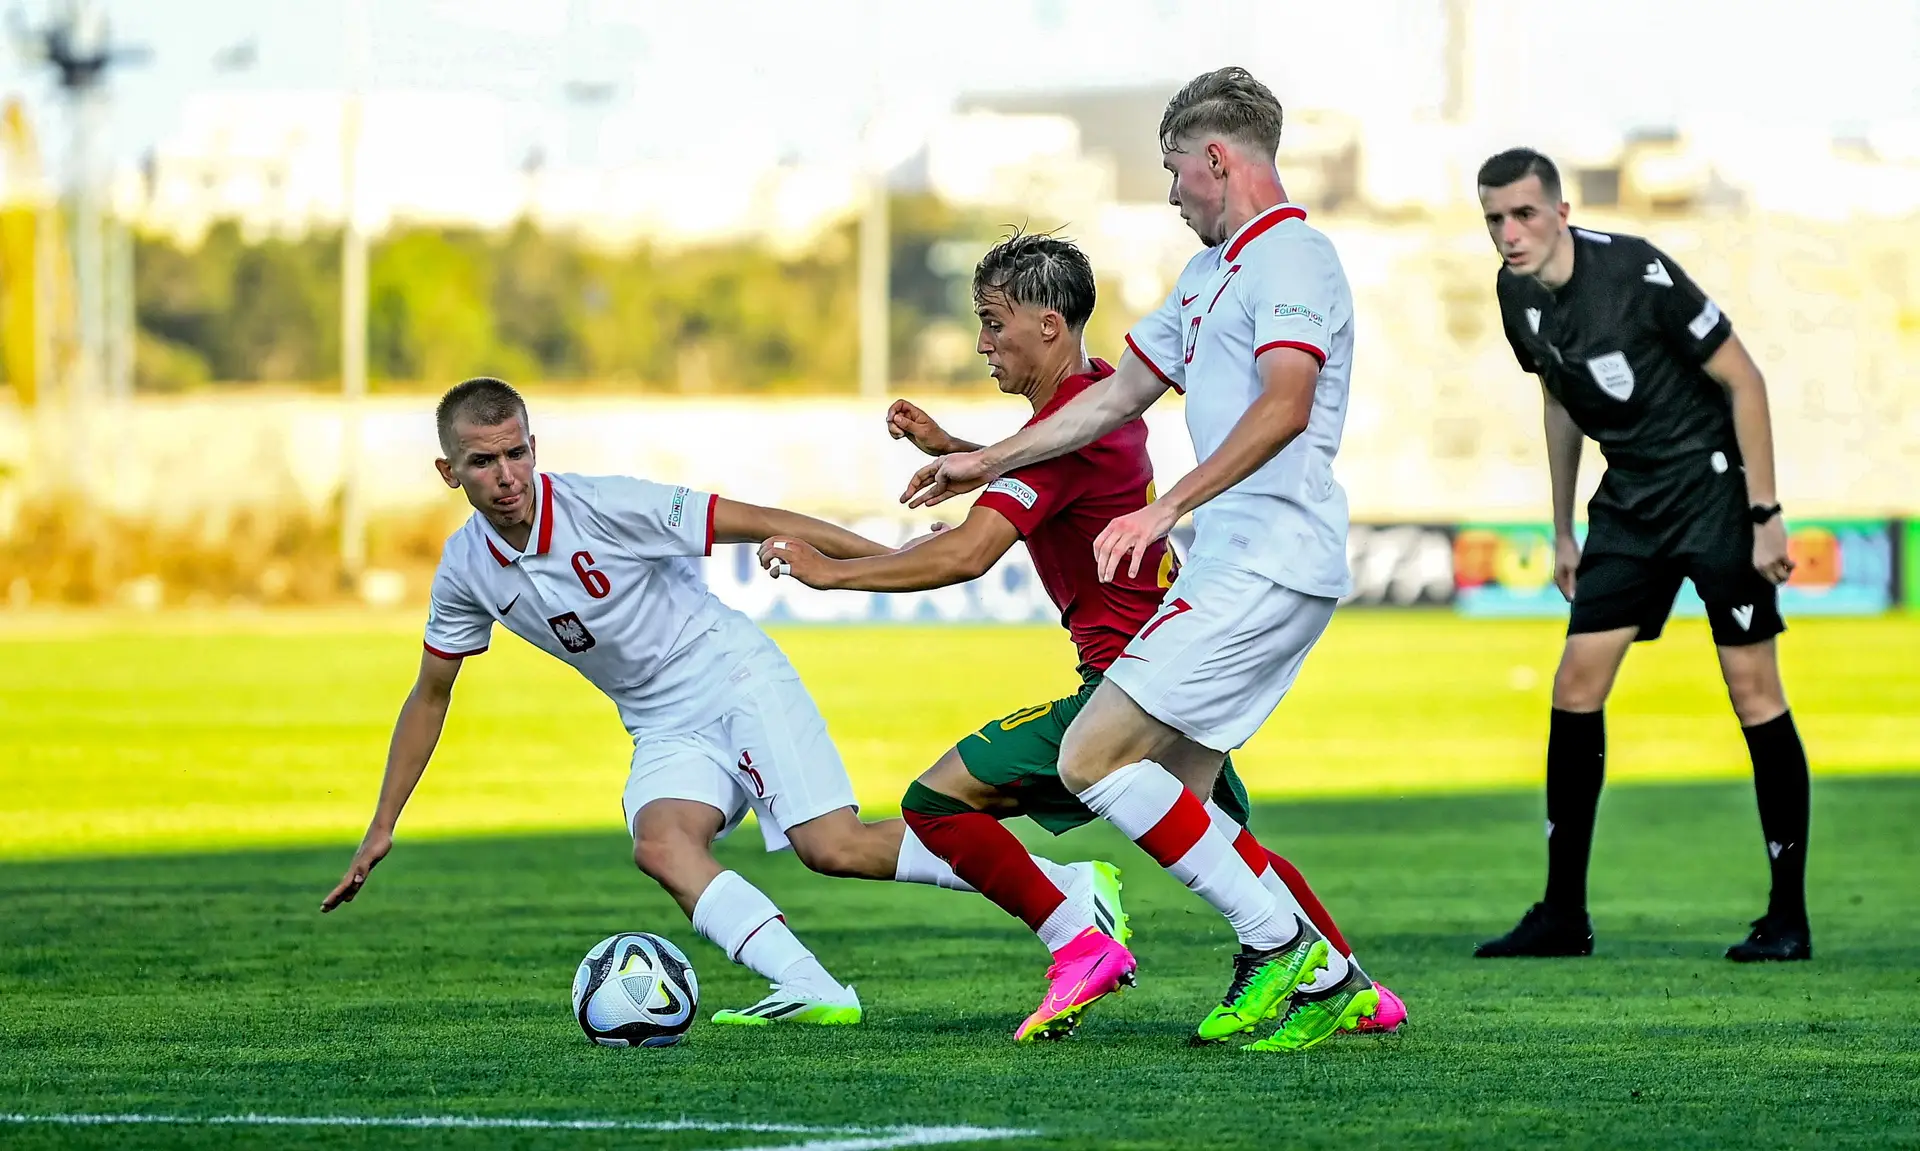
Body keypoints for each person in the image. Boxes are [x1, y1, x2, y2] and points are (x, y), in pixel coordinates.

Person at [760, 230, 1406, 1043]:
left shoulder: (1068, 427)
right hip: (1179, 663)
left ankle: (1077, 935)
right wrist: (962, 451)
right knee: (1228, 844)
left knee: (936, 800)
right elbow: (1054, 477)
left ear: (1051, 324)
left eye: (995, 321)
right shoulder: (1097, 397)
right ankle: (1357, 985)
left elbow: (966, 552)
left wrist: (830, 573)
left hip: (1128, 681)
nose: (983, 341)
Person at [319, 377, 1125, 1026]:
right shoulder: (464, 568)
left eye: (517, 453)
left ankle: (1063, 886)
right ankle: (814, 989)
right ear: (448, 472)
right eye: (483, 462)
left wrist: (898, 562)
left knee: (833, 846)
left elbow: (767, 520)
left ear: (535, 447)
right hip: (660, 722)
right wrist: (383, 824)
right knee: (662, 843)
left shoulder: (606, 504)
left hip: (733, 675)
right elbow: (430, 694)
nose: (506, 476)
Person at [899, 67, 1373, 1051]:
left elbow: (1285, 405)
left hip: (1269, 557)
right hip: (1231, 561)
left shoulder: (1295, 261)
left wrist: (1165, 506)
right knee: (1184, 800)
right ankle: (1313, 966)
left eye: (1173, 173)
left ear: (1215, 159)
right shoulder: (1208, 277)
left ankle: (1294, 951)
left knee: (1092, 753)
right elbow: (1111, 400)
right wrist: (977, 457)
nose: (1170, 195)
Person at [1472, 148, 1812, 962]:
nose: (1509, 234)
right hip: (1628, 502)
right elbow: (1556, 399)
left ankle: (1787, 918)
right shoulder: (1515, 293)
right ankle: (1562, 914)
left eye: (1522, 214)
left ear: (1558, 210)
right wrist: (1562, 527)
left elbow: (1746, 379)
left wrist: (1766, 514)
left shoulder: (1637, 272)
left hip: (1711, 489)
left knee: (1752, 688)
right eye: (1493, 219)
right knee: (1575, 682)